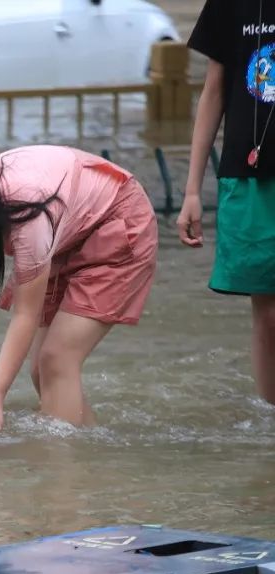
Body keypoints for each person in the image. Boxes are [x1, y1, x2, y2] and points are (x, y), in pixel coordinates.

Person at [0, 131, 158, 429]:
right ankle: (91, 457)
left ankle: (65, 470)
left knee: (56, 361)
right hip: (67, 230)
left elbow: (26, 312)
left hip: (114, 218)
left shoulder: (26, 210)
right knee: (41, 370)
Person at [177, 0, 275, 405]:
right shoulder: (230, 4)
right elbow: (213, 92)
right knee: (269, 316)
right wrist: (192, 191)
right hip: (250, 176)